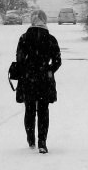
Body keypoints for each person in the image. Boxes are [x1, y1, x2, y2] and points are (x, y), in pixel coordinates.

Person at [14, 9, 61, 153]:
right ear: (45, 20)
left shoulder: (24, 37)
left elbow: (19, 59)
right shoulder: (51, 39)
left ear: (32, 20)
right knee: (43, 111)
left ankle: (30, 140)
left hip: (28, 79)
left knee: (29, 110)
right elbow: (57, 61)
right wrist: (48, 70)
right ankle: (42, 143)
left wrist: (27, 69)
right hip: (44, 80)